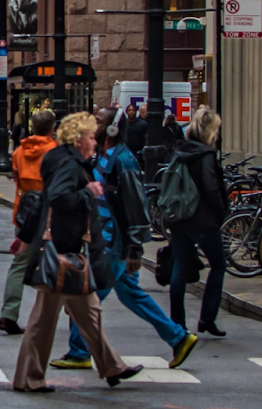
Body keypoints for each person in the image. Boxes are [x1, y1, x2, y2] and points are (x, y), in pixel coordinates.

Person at [52, 111, 198, 370]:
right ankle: (179, 337)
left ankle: (79, 351)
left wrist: (134, 247)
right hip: (107, 240)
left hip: (114, 244)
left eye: (99, 120)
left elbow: (136, 206)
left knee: (85, 296)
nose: (94, 124)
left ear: (111, 130)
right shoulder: (107, 158)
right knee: (132, 295)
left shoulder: (124, 161)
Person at [10, 112, 143, 392]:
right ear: (80, 138)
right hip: (63, 253)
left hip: (68, 253)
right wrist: (89, 192)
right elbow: (57, 198)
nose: (95, 142)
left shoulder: (63, 160)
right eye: (92, 136)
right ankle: (29, 379)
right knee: (43, 321)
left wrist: (24, 237)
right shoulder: (69, 165)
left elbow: (42, 201)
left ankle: (111, 367)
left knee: (89, 312)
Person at [166, 105, 230, 337]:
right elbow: (211, 188)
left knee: (180, 269)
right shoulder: (206, 155)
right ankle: (207, 318)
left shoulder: (181, 150)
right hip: (202, 220)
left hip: (181, 218)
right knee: (219, 265)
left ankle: (178, 323)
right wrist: (221, 213)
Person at [0, 109, 56, 336]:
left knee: (19, 265)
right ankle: (57, 315)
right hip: (49, 215)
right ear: (52, 129)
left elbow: (15, 176)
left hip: (24, 214)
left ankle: (9, 313)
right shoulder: (54, 151)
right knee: (57, 263)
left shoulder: (20, 152)